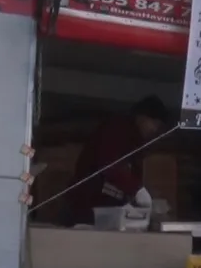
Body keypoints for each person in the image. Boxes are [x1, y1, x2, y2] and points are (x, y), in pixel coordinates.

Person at [66, 95, 169, 226]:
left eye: (158, 126)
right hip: (87, 205)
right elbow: (110, 165)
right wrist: (137, 190)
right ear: (141, 117)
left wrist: (142, 196)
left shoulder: (137, 143)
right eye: (153, 123)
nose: (154, 129)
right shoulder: (116, 130)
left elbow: (131, 175)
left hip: (109, 210)